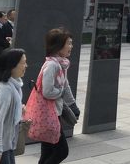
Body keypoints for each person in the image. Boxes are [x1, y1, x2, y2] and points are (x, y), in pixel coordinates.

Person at [38, 28, 79, 163]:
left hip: (55, 112)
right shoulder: (52, 65)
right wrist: (60, 93)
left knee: (47, 152)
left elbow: (65, 85)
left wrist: (72, 104)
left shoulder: (62, 64)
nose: (71, 47)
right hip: (49, 114)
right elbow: (47, 91)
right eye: (68, 43)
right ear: (58, 46)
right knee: (61, 151)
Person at [0, 48, 27, 164]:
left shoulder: (14, 85)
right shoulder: (5, 90)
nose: (26, 66)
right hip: (1, 147)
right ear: (12, 65)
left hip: (7, 145)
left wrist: (19, 109)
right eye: (23, 63)